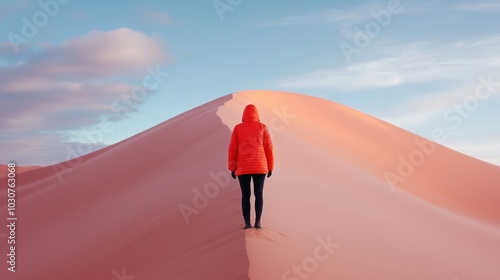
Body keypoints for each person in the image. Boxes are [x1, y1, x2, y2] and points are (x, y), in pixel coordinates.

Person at [228, 104, 274, 230]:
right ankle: (258, 222)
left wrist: (232, 167)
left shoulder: (238, 128)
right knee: (258, 194)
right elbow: (268, 148)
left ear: (244, 115)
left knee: (246, 195)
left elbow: (232, 149)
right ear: (257, 115)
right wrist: (270, 167)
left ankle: (247, 223)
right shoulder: (262, 127)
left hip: (243, 168)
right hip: (260, 167)